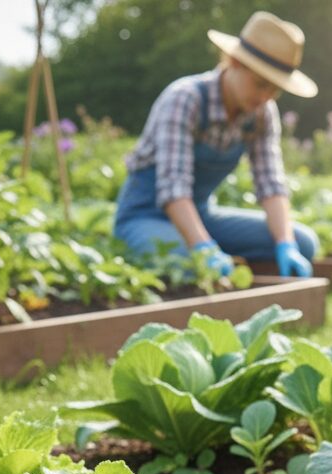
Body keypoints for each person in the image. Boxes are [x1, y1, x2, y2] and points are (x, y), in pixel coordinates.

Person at [114, 11, 319, 279]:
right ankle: (191, 250)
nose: (266, 97)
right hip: (145, 216)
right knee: (186, 263)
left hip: (200, 214)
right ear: (234, 62)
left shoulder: (262, 113)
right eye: (260, 85)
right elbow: (174, 189)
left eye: (275, 90)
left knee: (303, 241)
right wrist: (203, 246)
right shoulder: (185, 99)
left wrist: (285, 243)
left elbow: (271, 184)